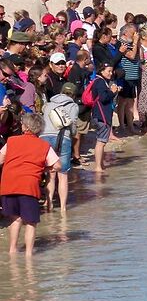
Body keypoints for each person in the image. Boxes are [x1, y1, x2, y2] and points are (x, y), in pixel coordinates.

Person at [0, 113, 61, 256]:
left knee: (15, 219)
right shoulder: (44, 145)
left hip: (9, 184)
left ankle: (12, 251)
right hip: (28, 186)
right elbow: (58, 165)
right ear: (39, 129)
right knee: (31, 222)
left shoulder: (12, 141)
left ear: (25, 126)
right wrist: (44, 168)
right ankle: (28, 256)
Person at [40, 83, 78, 211]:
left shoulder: (48, 104)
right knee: (63, 174)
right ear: (73, 94)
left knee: (50, 173)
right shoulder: (73, 106)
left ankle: (49, 203)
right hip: (63, 139)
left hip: (44, 138)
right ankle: (63, 209)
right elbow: (72, 127)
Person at [91, 62, 119, 172]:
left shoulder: (99, 81)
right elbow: (103, 98)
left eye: (111, 71)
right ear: (102, 71)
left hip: (99, 115)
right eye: (108, 71)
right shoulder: (100, 82)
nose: (111, 74)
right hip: (101, 115)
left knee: (101, 141)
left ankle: (100, 164)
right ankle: (98, 166)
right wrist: (112, 92)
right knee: (101, 142)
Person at [67, 50, 92, 166]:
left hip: (84, 105)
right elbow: (76, 89)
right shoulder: (75, 71)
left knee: (81, 131)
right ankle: (76, 156)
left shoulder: (82, 70)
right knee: (77, 132)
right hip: (79, 105)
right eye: (89, 58)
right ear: (85, 59)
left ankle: (77, 154)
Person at [115, 23, 140, 135]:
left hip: (133, 75)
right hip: (125, 75)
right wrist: (135, 42)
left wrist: (137, 42)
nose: (135, 34)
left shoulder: (133, 43)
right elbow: (131, 56)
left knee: (131, 101)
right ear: (126, 32)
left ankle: (130, 126)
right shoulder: (121, 43)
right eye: (133, 32)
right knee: (123, 101)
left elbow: (140, 55)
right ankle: (122, 126)